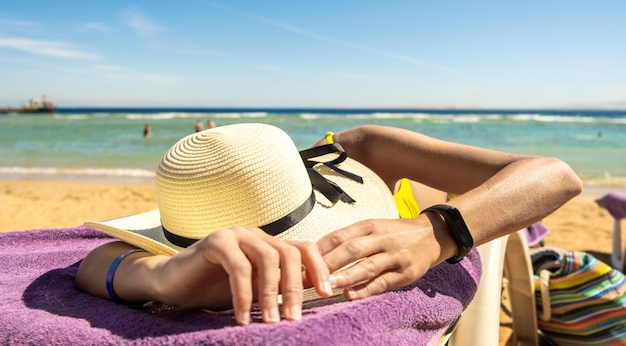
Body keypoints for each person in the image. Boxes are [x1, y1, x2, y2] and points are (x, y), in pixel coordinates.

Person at [75, 123, 582, 326]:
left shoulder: (362, 151)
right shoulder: (208, 197)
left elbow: (555, 176)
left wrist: (437, 231)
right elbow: (96, 262)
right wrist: (158, 277)